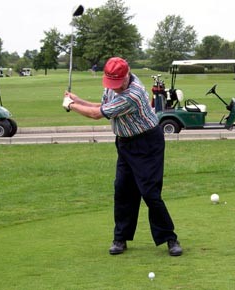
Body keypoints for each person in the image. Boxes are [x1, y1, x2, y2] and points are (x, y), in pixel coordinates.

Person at [62, 57, 182, 256]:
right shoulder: (111, 87)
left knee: (150, 192)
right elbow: (99, 106)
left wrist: (70, 105)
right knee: (122, 189)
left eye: (117, 84)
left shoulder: (133, 94)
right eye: (111, 84)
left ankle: (170, 238)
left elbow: (96, 115)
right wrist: (77, 99)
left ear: (127, 74)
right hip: (125, 142)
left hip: (147, 144)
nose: (114, 88)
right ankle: (120, 238)